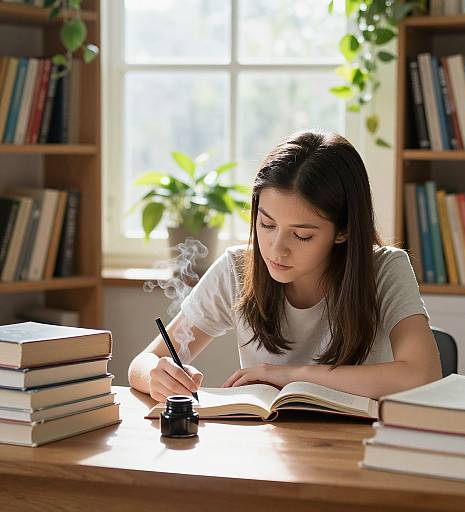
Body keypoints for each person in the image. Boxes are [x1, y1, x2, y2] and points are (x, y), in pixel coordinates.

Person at [128, 130, 442, 403]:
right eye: (266, 224)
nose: (276, 249)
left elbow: (421, 374)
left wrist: (292, 375)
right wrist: (156, 374)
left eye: (301, 235)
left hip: (358, 449)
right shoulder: (238, 269)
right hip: (266, 451)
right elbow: (144, 362)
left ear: (343, 230)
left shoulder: (385, 269)